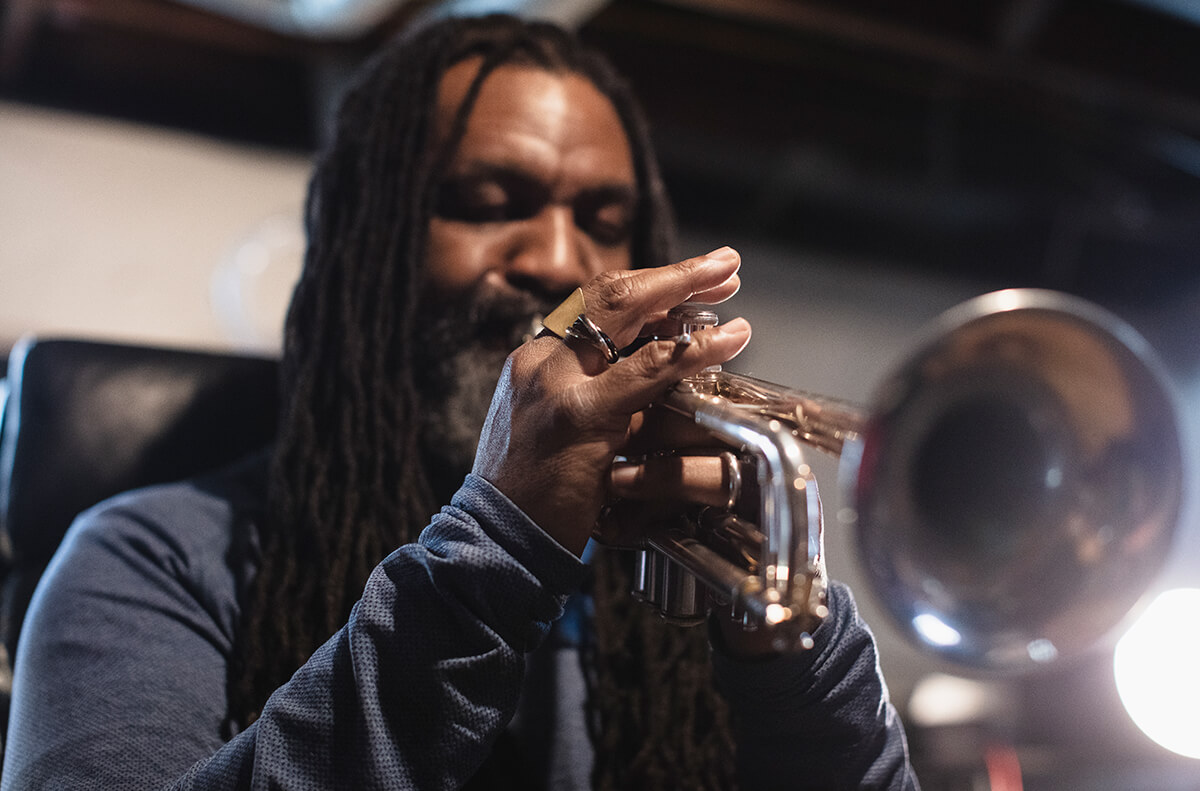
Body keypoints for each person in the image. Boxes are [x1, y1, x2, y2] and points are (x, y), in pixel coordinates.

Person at [1, 14, 918, 791]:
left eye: (604, 222)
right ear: (369, 246)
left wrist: (792, 641)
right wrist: (503, 543)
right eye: (487, 201)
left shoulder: (668, 587)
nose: (561, 261)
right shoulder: (149, 557)